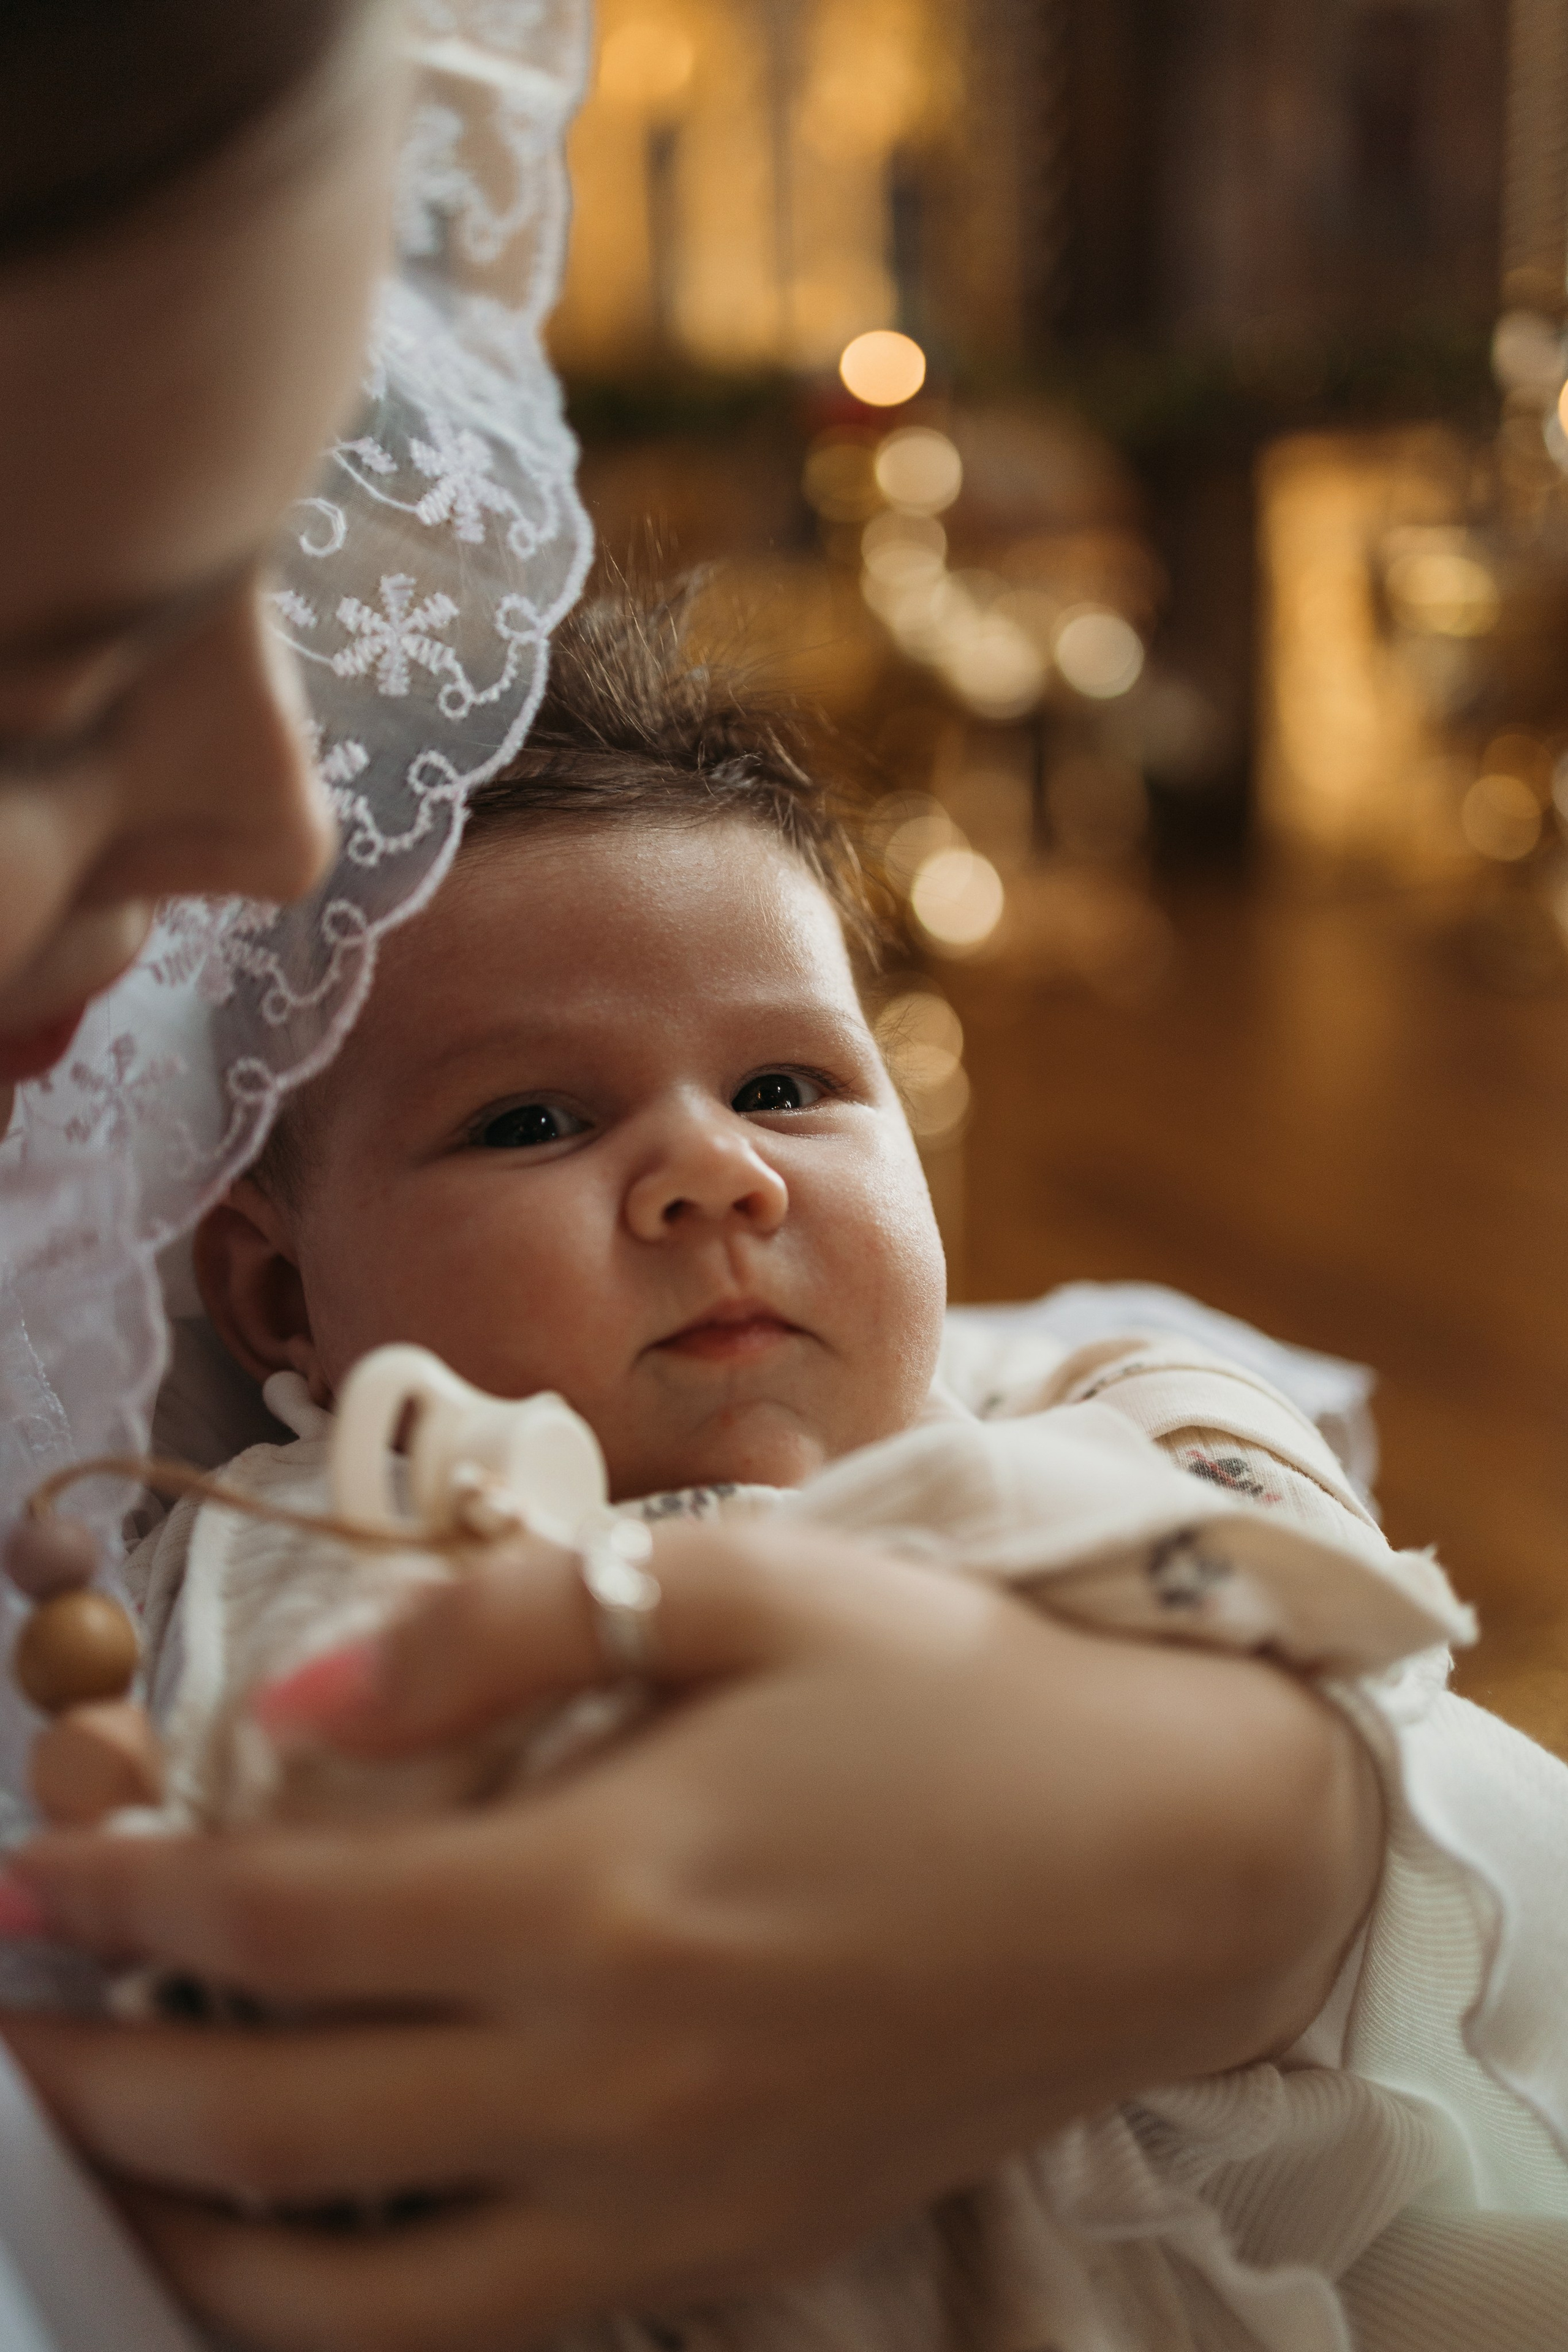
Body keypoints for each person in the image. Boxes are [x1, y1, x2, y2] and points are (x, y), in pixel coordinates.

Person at [0, 12, 1558, 2352]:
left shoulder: (1023, 1454)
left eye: (794, 1091)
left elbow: (1215, 1482)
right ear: (281, 1301)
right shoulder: (281, 1518)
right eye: (533, 1122)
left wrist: (1266, 1823)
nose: (708, 1179)